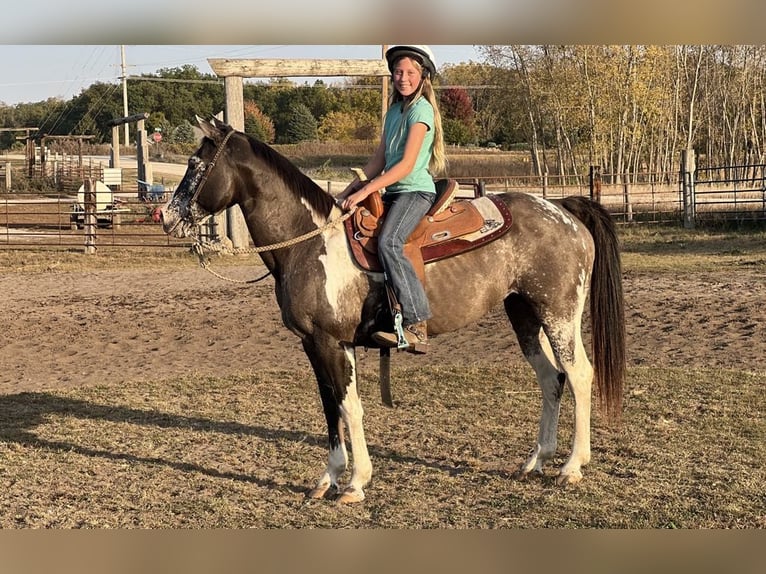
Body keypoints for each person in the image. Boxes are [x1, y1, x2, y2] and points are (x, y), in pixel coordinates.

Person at [339, 45, 447, 354]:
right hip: (394, 191)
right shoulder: (393, 113)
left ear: (422, 75)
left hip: (415, 191)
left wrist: (365, 191)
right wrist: (347, 191)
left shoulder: (421, 110)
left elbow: (405, 165)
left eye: (410, 72)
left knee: (389, 242)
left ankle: (416, 323)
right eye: (398, 72)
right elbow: (378, 160)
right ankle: (383, 313)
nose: (403, 78)